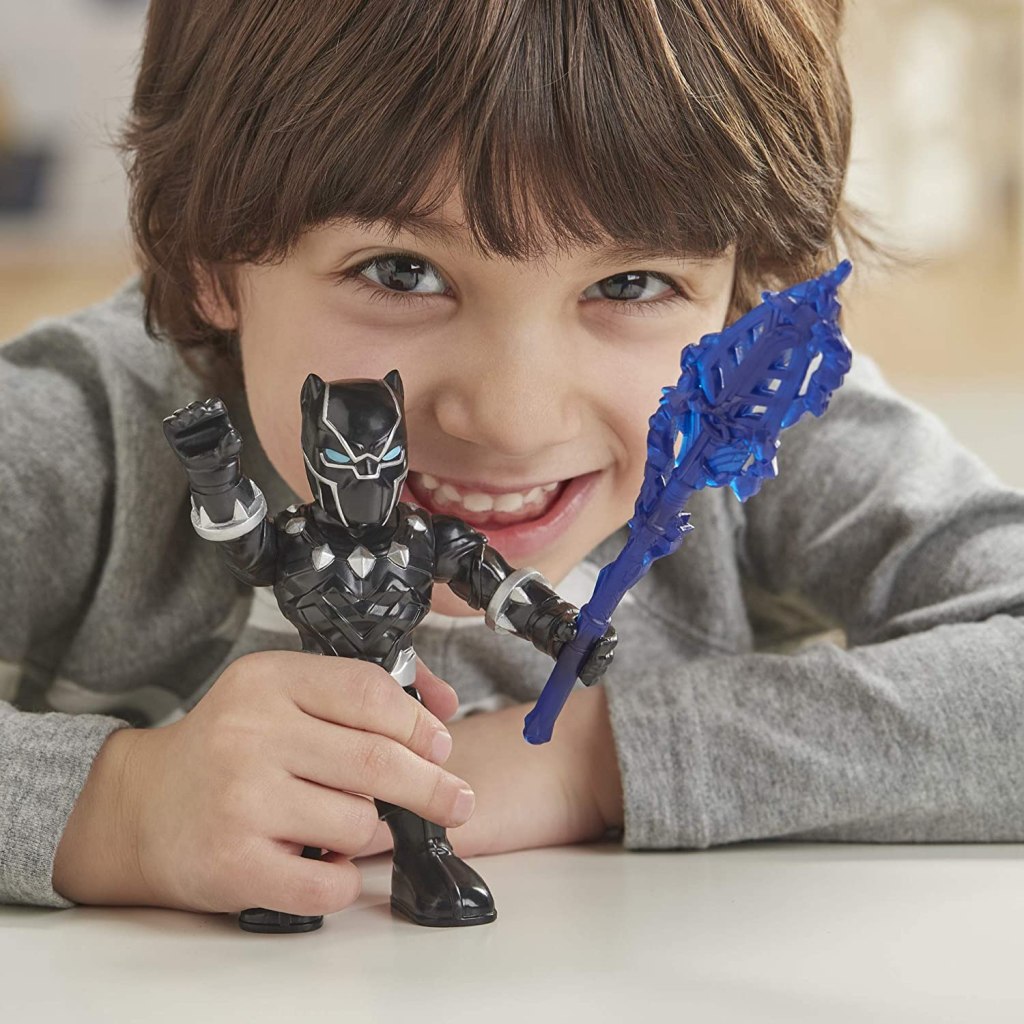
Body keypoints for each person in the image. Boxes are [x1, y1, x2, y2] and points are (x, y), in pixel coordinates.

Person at [2, 0, 1022, 922]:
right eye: (402, 271)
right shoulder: (76, 435)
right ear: (209, 258)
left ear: (745, 288)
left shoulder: (751, 433)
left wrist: (591, 757)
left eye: (631, 283)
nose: (513, 419)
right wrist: (117, 805)